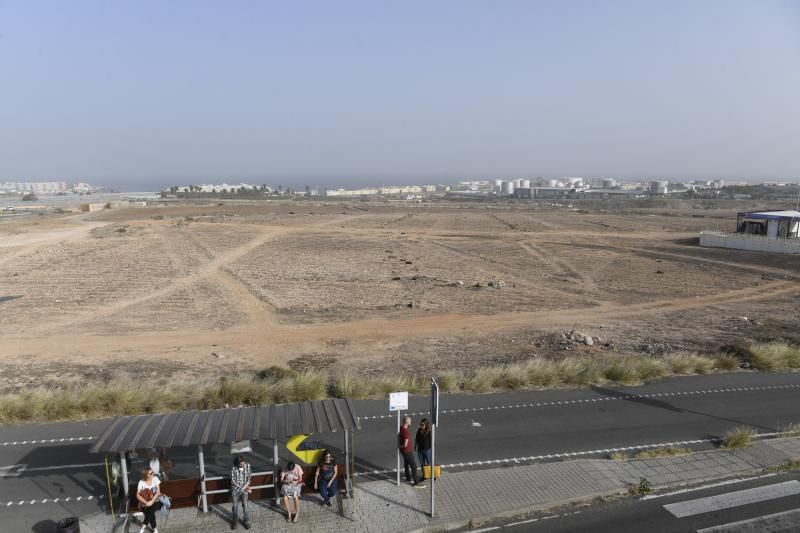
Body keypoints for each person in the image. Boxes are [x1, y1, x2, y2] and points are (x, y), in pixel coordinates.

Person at [398, 416, 425, 488]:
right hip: (407, 451)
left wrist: (400, 447)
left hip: (403, 451)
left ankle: (408, 478)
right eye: (410, 421)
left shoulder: (401, 428)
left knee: (406, 464)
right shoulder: (406, 432)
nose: (411, 423)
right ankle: (416, 483)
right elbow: (405, 444)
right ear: (407, 422)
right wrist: (399, 446)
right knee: (414, 467)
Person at [136, 467, 162, 533]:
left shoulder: (155, 479)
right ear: (146, 475)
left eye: (153, 472)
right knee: (151, 511)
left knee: (151, 509)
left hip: (156, 500)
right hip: (146, 503)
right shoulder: (141, 482)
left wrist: (151, 501)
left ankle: (142, 528)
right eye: (151, 473)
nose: (153, 474)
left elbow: (158, 492)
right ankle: (155, 529)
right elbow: (138, 495)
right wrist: (146, 502)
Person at [230, 455, 252, 530]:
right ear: (237, 464)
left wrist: (246, 485)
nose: (242, 465)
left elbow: (249, 477)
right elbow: (233, 481)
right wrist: (242, 487)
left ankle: (246, 521)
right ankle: (235, 521)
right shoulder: (233, 469)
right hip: (236, 489)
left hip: (245, 489)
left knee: (245, 505)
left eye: (243, 464)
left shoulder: (248, 466)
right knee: (235, 506)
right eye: (240, 465)